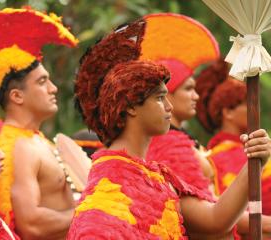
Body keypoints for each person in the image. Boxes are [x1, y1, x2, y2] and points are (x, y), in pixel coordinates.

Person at [67, 16, 271, 239]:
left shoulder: (156, 177)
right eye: (159, 98)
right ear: (131, 106)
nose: (169, 106)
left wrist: (255, 160)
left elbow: (215, 220)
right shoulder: (108, 186)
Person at [0, 8, 79, 239]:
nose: (53, 88)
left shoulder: (34, 140)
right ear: (17, 96)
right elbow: (31, 224)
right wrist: (93, 211)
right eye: (43, 82)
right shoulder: (17, 146)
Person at [196, 58, 271, 216]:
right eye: (246, 103)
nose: (254, 108)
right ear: (227, 112)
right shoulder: (221, 156)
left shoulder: (253, 147)